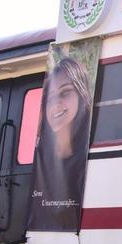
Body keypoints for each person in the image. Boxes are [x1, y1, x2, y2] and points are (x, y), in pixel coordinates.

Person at [29, 56, 93, 230]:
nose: (56, 104)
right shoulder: (38, 161)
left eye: (65, 93)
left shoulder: (89, 156)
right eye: (50, 98)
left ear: (81, 94)